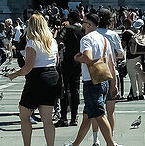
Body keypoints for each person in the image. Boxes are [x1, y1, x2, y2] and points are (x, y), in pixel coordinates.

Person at [7, 13, 61, 146]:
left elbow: (28, 68)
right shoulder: (52, 41)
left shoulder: (32, 42)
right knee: (47, 119)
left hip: (37, 78)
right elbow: (57, 62)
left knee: (24, 115)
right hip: (52, 77)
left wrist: (14, 75)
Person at [64, 13, 116, 146]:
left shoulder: (86, 39)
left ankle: (110, 144)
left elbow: (87, 58)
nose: (82, 24)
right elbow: (111, 63)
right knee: (87, 116)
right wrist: (113, 84)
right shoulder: (104, 39)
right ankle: (75, 144)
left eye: (84, 22)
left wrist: (77, 58)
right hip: (104, 79)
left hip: (92, 81)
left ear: (89, 25)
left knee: (99, 114)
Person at [58, 13, 85, 127]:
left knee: (64, 89)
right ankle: (74, 117)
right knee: (75, 90)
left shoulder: (67, 28)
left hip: (67, 62)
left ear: (70, 19)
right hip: (77, 62)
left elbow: (58, 39)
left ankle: (63, 117)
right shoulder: (81, 31)